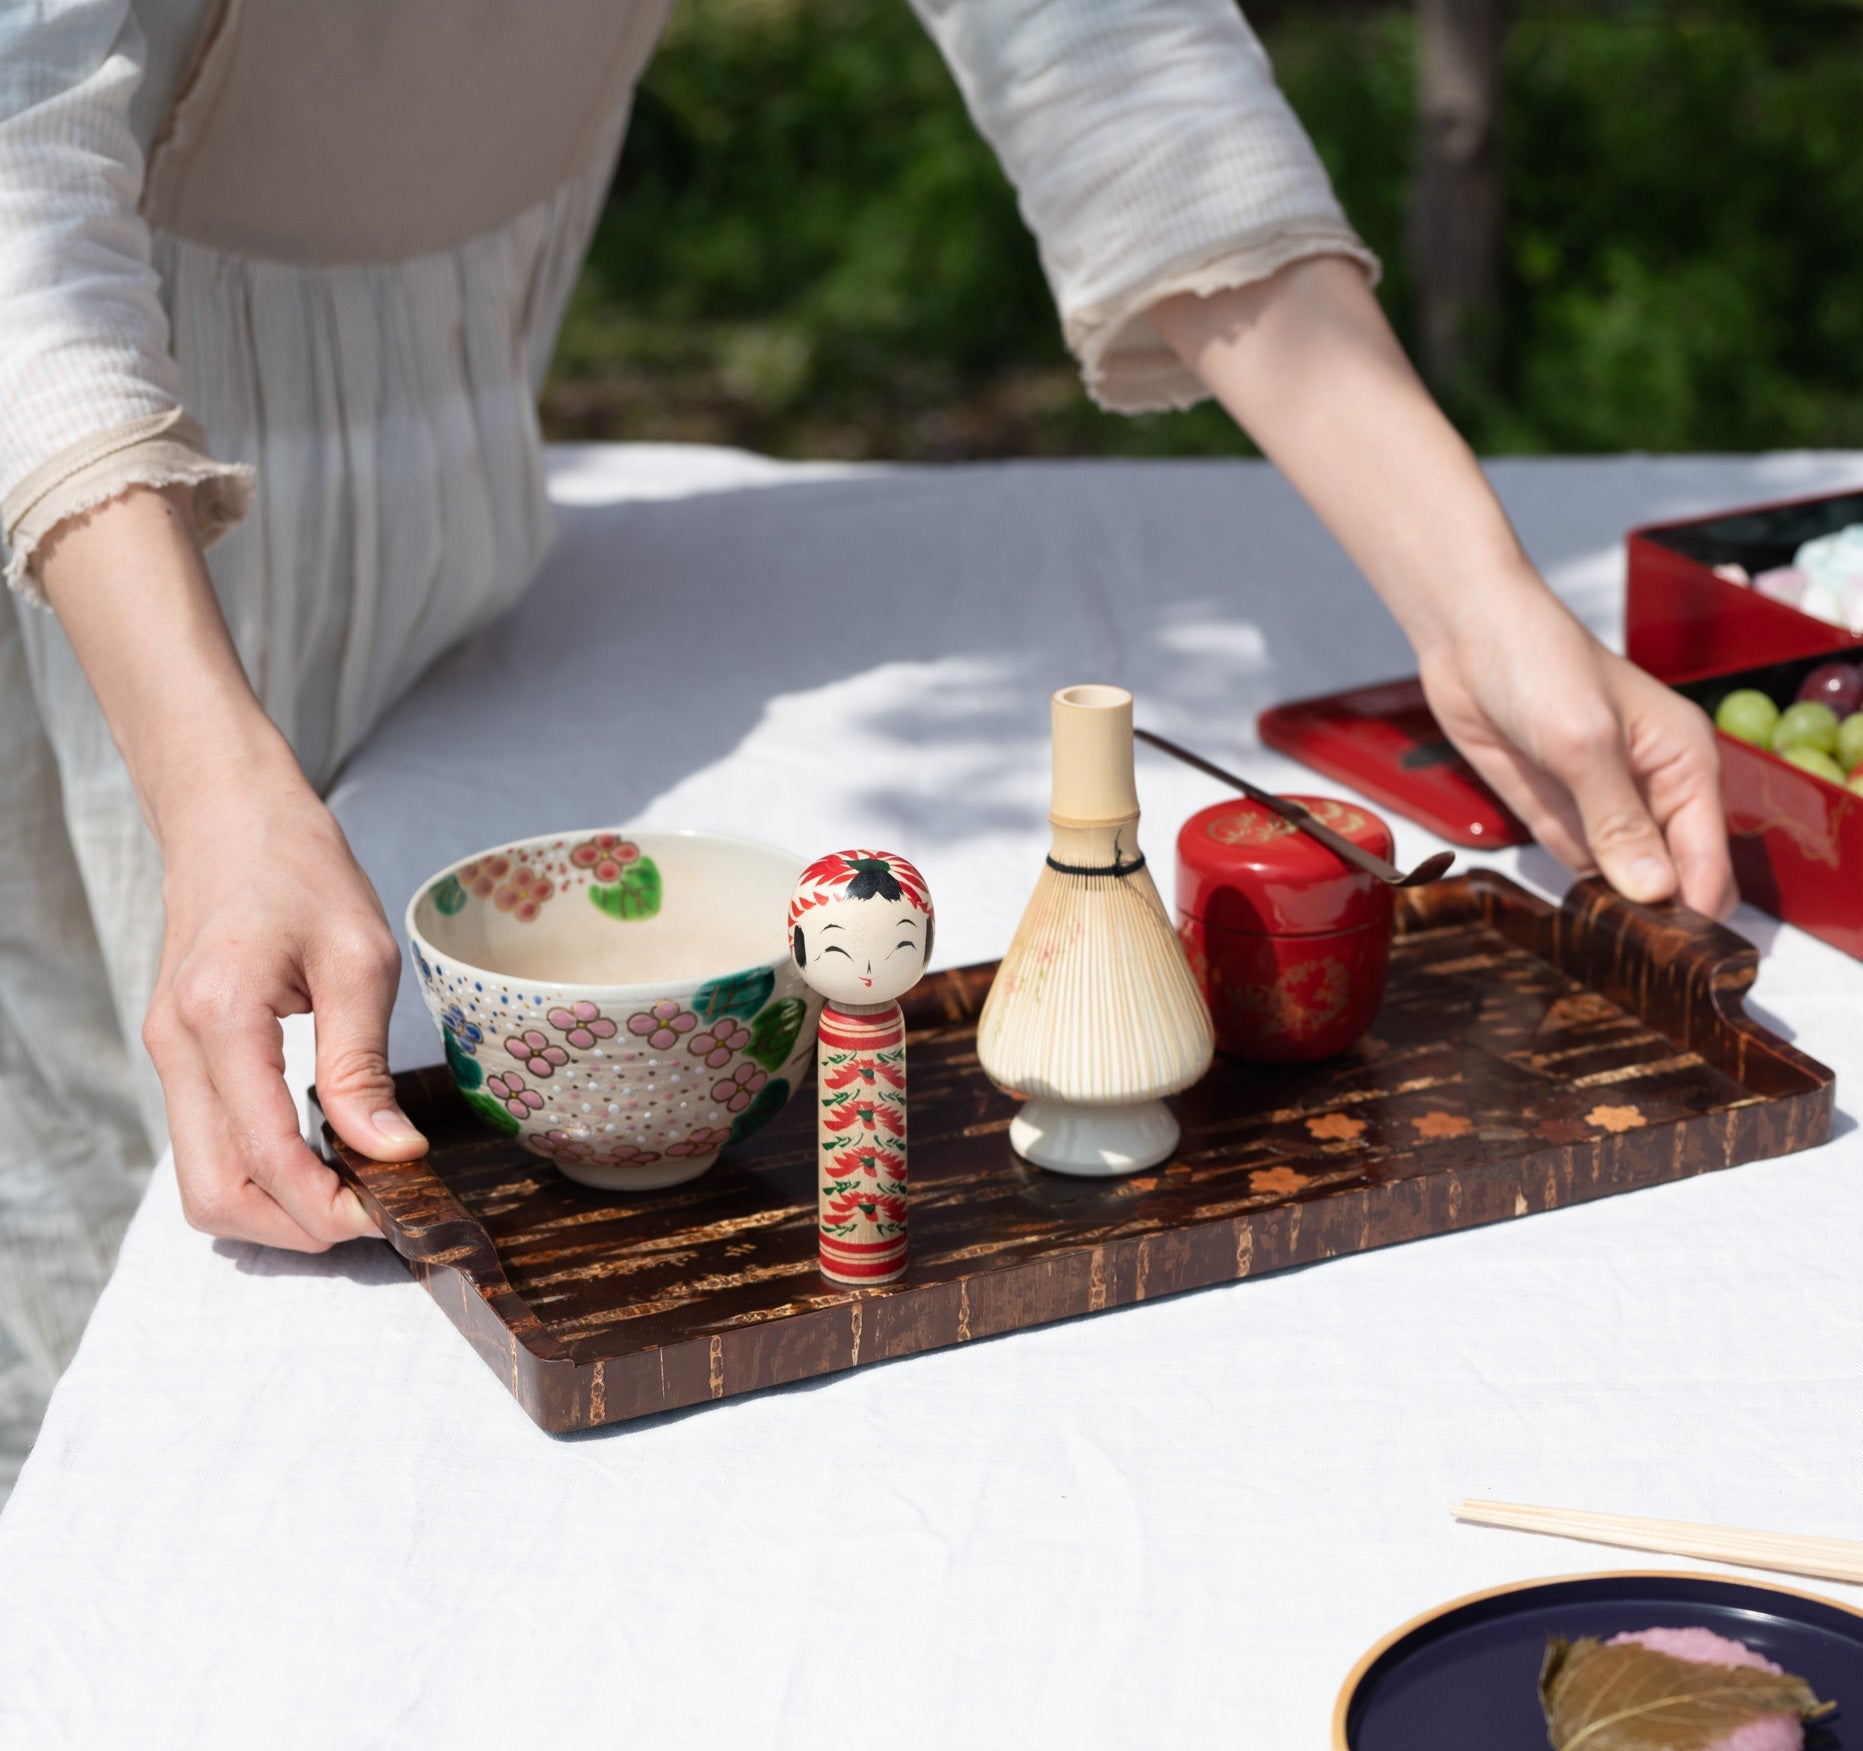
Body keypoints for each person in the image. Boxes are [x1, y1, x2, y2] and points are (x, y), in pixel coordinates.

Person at [0, 0, 1732, 1473]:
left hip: (457, 515)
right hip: (91, 543)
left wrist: (1476, 597)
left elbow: (1115, 53)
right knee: (110, 1190)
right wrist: (218, 778)